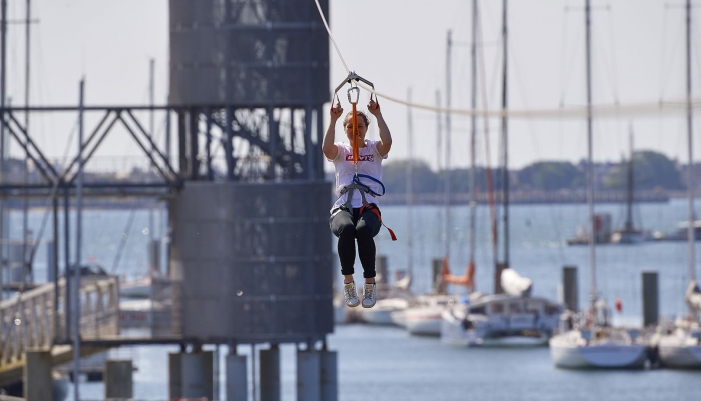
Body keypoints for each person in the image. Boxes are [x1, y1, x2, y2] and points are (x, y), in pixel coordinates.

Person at [322, 97, 392, 308]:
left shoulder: (374, 149)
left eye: (360, 126)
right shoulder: (341, 151)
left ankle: (369, 284)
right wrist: (333, 120)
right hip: (343, 207)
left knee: (362, 231)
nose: (355, 130)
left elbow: (387, 142)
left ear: (366, 128)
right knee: (347, 228)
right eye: (351, 127)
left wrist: (378, 115)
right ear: (345, 130)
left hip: (368, 207)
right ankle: (348, 281)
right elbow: (326, 149)